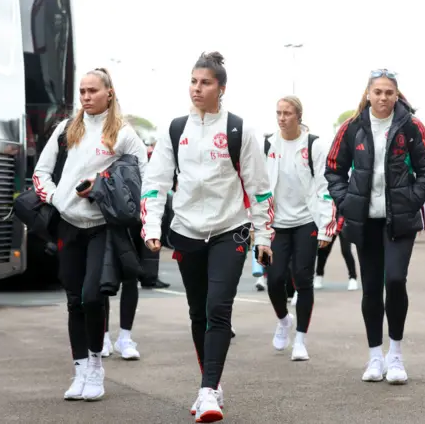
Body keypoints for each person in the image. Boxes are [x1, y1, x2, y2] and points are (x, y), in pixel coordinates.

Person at [140, 51, 274, 422]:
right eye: (194, 82)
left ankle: (208, 391)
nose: (197, 89)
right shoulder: (175, 129)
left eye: (206, 83)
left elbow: (259, 189)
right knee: (198, 311)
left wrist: (263, 236)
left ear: (222, 88)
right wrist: (152, 227)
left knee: (219, 307)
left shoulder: (240, 130)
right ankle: (210, 381)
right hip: (185, 231)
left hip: (230, 229)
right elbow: (155, 183)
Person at [32, 67, 148, 401]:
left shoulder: (123, 133)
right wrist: (57, 197)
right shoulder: (67, 129)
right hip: (68, 224)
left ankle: (97, 367)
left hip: (102, 228)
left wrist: (106, 188)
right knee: (73, 300)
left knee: (92, 297)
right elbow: (41, 172)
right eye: (82, 91)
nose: (85, 97)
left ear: (109, 92)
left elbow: (146, 176)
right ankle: (80, 370)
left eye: (92, 91)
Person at [325, 69, 425, 384]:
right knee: (372, 288)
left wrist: (412, 200)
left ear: (397, 94)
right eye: (378, 92)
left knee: (396, 280)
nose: (383, 97)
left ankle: (396, 356)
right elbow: (333, 168)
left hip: (399, 222)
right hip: (364, 222)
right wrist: (346, 202)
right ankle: (375, 356)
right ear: (368, 93)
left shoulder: (411, 127)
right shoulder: (352, 128)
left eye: (389, 92)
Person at [263, 96, 335, 361]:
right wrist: (257, 223)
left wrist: (327, 227)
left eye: (287, 113)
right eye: (278, 112)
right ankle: (283, 320)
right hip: (277, 224)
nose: (282, 118)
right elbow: (259, 185)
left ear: (298, 116)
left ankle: (301, 340)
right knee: (275, 280)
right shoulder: (269, 144)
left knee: (303, 279)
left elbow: (325, 187)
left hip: (306, 221)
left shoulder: (313, 145)